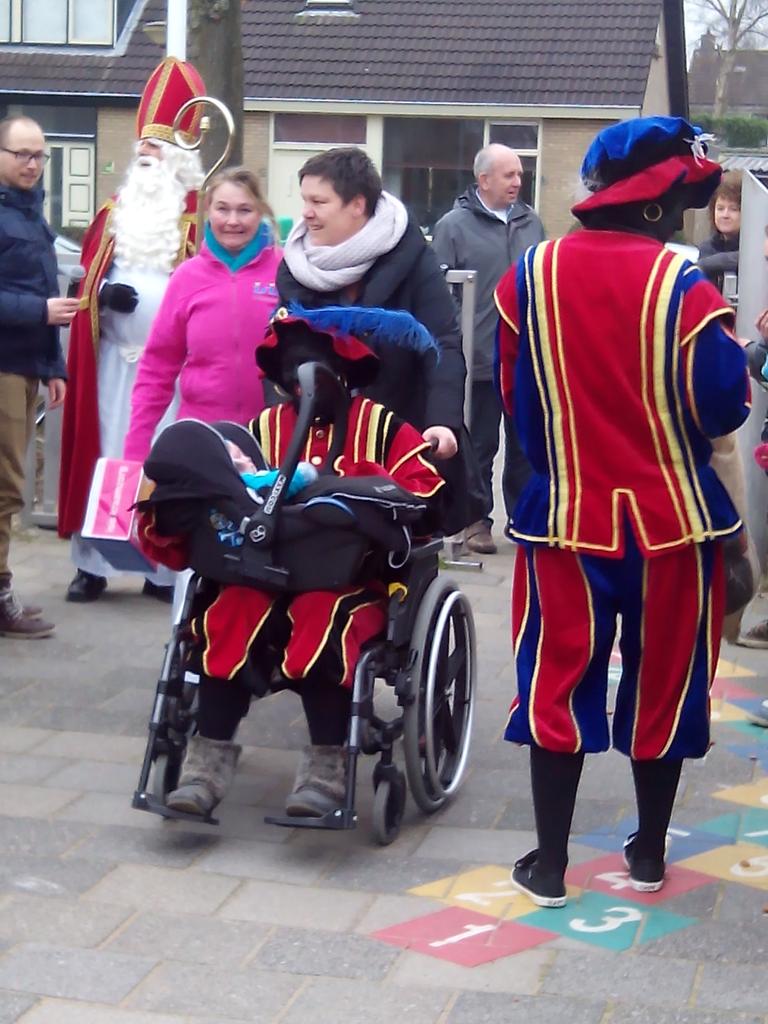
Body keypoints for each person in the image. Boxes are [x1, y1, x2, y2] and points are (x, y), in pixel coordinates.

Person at [495, 116, 750, 907]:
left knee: (555, 679)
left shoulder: (528, 276)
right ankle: (646, 855)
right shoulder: (687, 288)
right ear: (654, 204)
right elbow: (722, 408)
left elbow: (517, 406)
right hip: (673, 523)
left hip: (563, 519)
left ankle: (549, 864)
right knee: (665, 681)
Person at [136, 306, 446, 818]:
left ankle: (326, 767)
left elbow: (425, 496)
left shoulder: (382, 426)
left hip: (351, 582)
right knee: (227, 611)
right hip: (259, 572)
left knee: (324, 618)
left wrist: (354, 485)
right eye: (290, 376)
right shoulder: (261, 428)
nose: (300, 387)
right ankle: (205, 764)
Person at [58, 56, 206, 603]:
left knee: (161, 462)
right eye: (142, 146)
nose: (146, 156)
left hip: (168, 374)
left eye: (158, 148)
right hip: (112, 366)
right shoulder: (113, 213)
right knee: (104, 458)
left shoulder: (204, 218)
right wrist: (100, 297)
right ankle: (92, 564)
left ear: (180, 157)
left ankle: (160, 568)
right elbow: (84, 286)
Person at [276, 147, 477, 533]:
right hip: (320, 443)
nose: (306, 213)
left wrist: (442, 422)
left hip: (397, 433)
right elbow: (281, 356)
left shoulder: (413, 257)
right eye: (305, 200)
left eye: (319, 202)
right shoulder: (295, 267)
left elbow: (442, 344)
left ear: (357, 204)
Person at [123, 167, 282, 463]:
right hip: (201, 439)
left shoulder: (285, 272)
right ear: (208, 210)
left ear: (260, 212)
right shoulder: (187, 278)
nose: (232, 221)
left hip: (272, 439)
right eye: (222, 209)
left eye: (244, 210)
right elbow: (157, 367)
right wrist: (136, 447)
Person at [432, 143, 544, 554]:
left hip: (524, 357)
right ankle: (475, 520)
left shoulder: (531, 222)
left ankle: (525, 519)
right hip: (478, 357)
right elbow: (440, 292)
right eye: (509, 175)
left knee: (526, 445)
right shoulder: (452, 226)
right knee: (479, 445)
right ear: (483, 180)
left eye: (519, 175)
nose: (517, 182)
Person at [0, 116, 75, 638]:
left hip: (27, 368)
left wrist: (53, 366)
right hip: (3, 367)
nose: (32, 164)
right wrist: (40, 314)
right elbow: (39, 303)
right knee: (5, 488)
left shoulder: (30, 213)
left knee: (9, 487)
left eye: (39, 155)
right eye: (21, 154)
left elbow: (45, 291)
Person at [697, 170, 741, 290]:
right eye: (720, 208)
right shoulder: (707, 247)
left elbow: (747, 259)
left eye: (733, 209)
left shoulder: (758, 246)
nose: (725, 215)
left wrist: (707, 264)